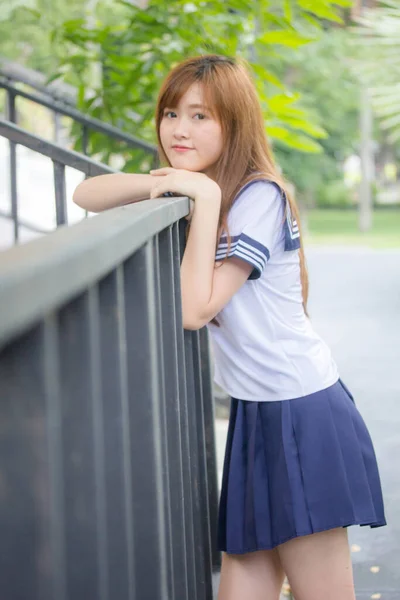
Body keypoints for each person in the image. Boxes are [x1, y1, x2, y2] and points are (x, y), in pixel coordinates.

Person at [73, 54, 386, 600]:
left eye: (200, 116)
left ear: (233, 123)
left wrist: (207, 195)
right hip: (256, 413)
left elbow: (195, 309)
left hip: (301, 413)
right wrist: (186, 188)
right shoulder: (199, 189)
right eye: (172, 114)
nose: (179, 129)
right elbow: (86, 194)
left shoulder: (258, 196)